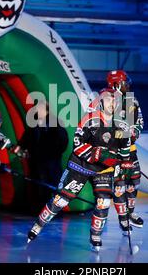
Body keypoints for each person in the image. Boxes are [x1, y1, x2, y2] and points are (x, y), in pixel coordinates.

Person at [26, 89, 134, 251]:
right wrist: (98, 154)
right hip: (81, 166)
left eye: (114, 100)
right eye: (108, 99)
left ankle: (95, 236)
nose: (112, 103)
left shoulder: (122, 125)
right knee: (61, 200)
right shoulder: (89, 120)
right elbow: (77, 145)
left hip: (103, 170)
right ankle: (38, 225)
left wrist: (125, 163)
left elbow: (125, 148)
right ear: (100, 102)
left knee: (104, 201)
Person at [89, 70, 144, 228]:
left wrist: (134, 132)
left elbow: (139, 122)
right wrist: (122, 133)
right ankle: (119, 218)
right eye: (125, 83)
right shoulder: (103, 100)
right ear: (116, 84)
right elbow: (98, 126)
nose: (128, 86)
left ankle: (130, 212)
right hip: (112, 151)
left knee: (135, 179)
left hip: (129, 149)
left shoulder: (132, 101)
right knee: (118, 183)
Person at [19, 100, 69, 207]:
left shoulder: (55, 122)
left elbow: (63, 140)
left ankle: (53, 209)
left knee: (52, 184)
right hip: (37, 161)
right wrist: (22, 148)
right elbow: (26, 138)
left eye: (39, 108)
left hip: (51, 161)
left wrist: (53, 153)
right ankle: (40, 208)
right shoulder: (34, 123)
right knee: (39, 185)